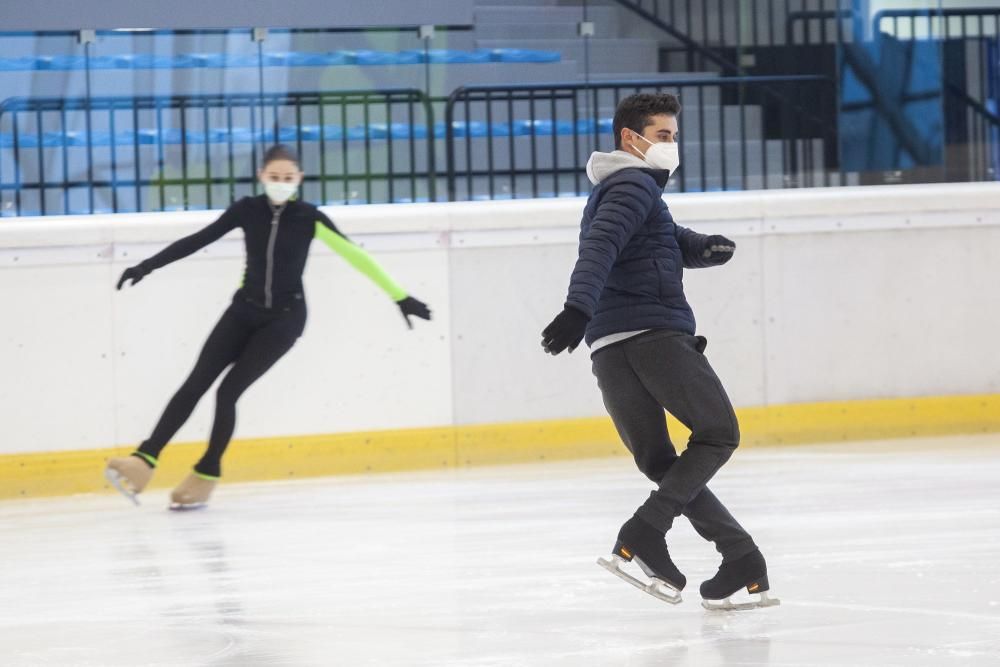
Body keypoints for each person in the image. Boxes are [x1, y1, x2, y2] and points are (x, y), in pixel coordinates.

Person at [540, 93, 777, 610]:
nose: (672, 146)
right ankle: (646, 529)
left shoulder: (617, 190)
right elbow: (600, 246)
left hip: (610, 348)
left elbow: (658, 239)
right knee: (718, 433)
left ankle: (739, 555)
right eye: (664, 136)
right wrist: (575, 307)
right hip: (655, 336)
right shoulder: (633, 183)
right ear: (632, 138)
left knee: (659, 461)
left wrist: (703, 248)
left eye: (673, 136)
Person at [105, 144, 431, 510]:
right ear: (262, 176)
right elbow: (198, 240)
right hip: (243, 310)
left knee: (227, 393)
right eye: (274, 177)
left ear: (299, 179)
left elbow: (356, 256)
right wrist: (146, 266)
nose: (280, 183)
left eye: (288, 178)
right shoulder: (247, 210)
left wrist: (400, 297)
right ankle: (143, 461)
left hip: (284, 320)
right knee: (196, 382)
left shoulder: (311, 218)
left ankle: (207, 473)